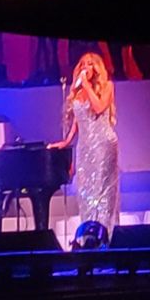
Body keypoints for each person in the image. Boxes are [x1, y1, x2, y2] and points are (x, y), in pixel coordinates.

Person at [48, 53, 119, 240]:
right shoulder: (78, 92)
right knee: (85, 192)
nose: (85, 67)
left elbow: (99, 108)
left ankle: (105, 236)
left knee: (102, 192)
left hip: (104, 144)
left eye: (90, 64)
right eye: (82, 64)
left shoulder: (107, 86)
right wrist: (66, 141)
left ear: (97, 68)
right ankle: (88, 238)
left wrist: (87, 85)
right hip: (85, 147)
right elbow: (78, 121)